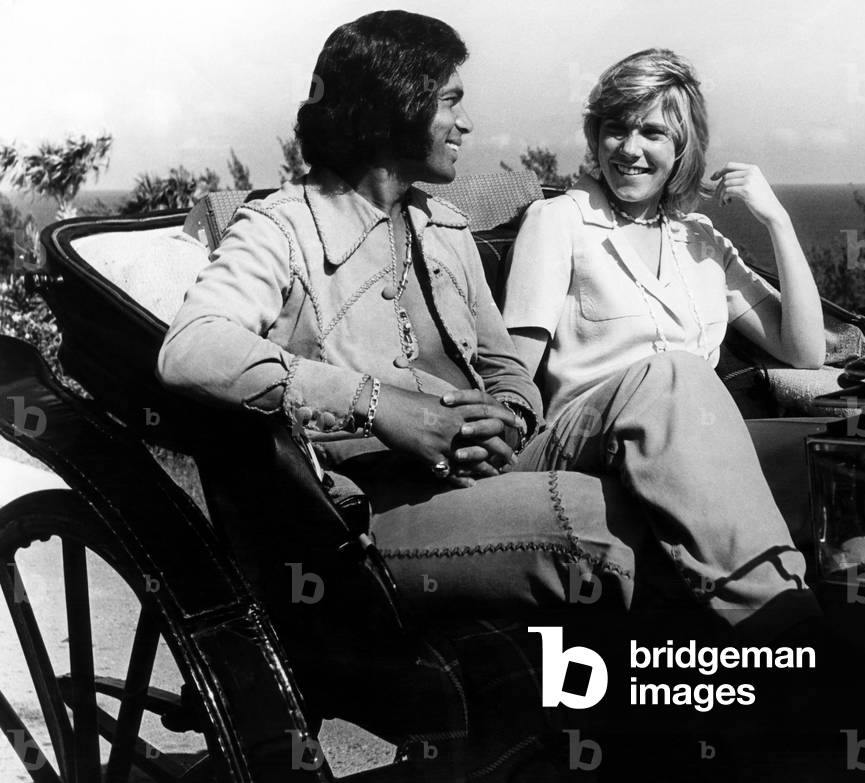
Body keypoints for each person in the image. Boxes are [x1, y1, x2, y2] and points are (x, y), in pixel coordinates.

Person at [158, 13, 815, 649]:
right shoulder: (279, 228)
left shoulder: (444, 229)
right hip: (377, 508)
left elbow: (507, 369)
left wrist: (507, 415)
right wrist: (380, 404)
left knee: (675, 374)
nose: (467, 122)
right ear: (393, 107)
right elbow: (190, 349)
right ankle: (793, 660)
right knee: (608, 518)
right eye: (451, 101)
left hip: (494, 469)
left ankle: (791, 631)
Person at [503, 49, 827, 633]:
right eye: (615, 128)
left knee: (842, 450)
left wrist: (776, 220)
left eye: (651, 132)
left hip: (689, 441)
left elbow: (805, 351)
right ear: (595, 136)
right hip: (579, 440)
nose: (629, 148)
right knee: (676, 371)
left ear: (682, 148)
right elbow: (513, 373)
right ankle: (782, 623)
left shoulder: (699, 239)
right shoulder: (559, 221)